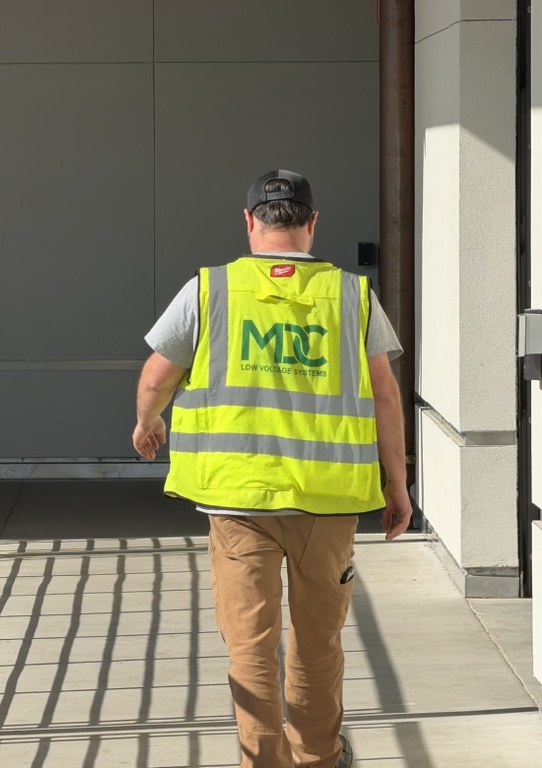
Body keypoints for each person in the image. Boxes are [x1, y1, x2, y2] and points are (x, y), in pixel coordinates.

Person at [132, 170, 413, 768]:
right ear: (312, 224)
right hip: (328, 502)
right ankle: (318, 757)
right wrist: (398, 483)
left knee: (251, 648)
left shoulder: (209, 289)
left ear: (249, 221)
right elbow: (385, 396)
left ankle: (262, 761)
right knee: (318, 643)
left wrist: (147, 423)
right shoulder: (353, 296)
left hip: (238, 503)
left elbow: (157, 377)